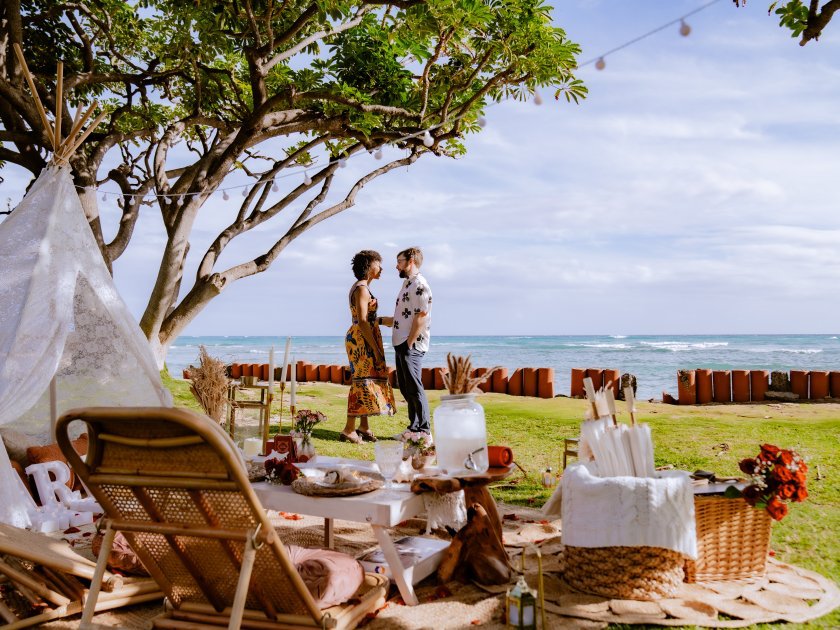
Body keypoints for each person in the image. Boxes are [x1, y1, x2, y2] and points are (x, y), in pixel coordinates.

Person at [342, 250, 396, 443]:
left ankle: (363, 426)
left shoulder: (362, 288)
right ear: (369, 266)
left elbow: (367, 319)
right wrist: (375, 348)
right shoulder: (362, 289)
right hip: (362, 339)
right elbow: (363, 321)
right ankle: (349, 429)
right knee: (361, 382)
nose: (381, 268)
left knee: (365, 382)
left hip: (362, 336)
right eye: (378, 264)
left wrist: (383, 321)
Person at [378, 247, 432, 437]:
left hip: (411, 344)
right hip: (402, 342)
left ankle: (424, 431)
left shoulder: (419, 285)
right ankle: (414, 428)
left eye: (399, 261)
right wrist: (379, 320)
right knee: (406, 387)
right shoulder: (408, 284)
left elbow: (422, 316)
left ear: (410, 261)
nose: (396, 265)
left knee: (414, 387)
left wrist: (409, 343)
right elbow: (402, 317)